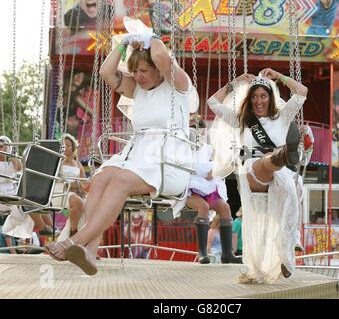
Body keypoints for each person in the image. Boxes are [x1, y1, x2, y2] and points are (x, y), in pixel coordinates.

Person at [45, 19, 197, 276]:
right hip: (137, 154)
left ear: (159, 70)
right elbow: (106, 72)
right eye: (135, 71)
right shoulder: (137, 89)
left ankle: (73, 241)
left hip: (168, 157)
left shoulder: (178, 87)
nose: (138, 76)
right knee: (102, 178)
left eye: (144, 71)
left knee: (121, 180)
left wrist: (149, 37)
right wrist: (124, 44)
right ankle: (90, 252)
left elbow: (161, 55)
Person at [208, 68, 308, 283]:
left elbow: (301, 92)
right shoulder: (242, 120)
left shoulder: (282, 117)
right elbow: (212, 103)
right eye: (254, 96)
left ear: (271, 97)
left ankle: (287, 248)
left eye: (263, 96)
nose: (258, 101)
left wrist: (279, 77)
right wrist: (234, 83)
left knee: (295, 186)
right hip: (253, 170)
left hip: (280, 177)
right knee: (269, 164)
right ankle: (281, 155)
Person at [186, 120, 241, 264]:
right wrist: (207, 170)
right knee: (203, 207)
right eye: (196, 131)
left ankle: (227, 253)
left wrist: (212, 170)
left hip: (207, 187)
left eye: (203, 132)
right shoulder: (184, 147)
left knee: (225, 207)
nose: (200, 135)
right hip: (190, 188)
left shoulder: (207, 148)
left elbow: (216, 164)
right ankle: (203, 253)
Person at [53, 134, 88, 241]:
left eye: (67, 145)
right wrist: (75, 186)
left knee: (90, 207)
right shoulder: (58, 161)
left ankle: (85, 242)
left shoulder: (77, 164)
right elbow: (56, 179)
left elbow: (83, 182)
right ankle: (73, 233)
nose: (65, 148)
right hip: (60, 192)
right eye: (63, 146)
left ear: (73, 147)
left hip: (75, 193)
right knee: (79, 202)